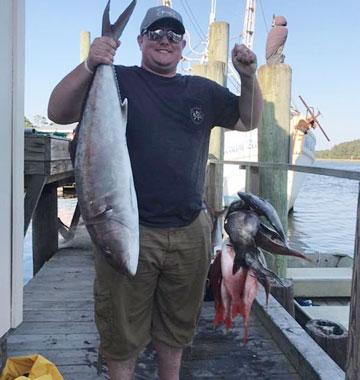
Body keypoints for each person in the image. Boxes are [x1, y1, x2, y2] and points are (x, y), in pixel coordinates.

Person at [48, 5, 263, 380]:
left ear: (182, 46)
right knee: (121, 332)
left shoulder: (201, 90)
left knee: (176, 330)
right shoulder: (118, 79)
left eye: (173, 35)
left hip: (188, 232)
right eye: (155, 34)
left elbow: (248, 119)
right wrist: (89, 64)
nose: (164, 40)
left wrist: (248, 77)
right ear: (140, 41)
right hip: (128, 230)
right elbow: (57, 111)